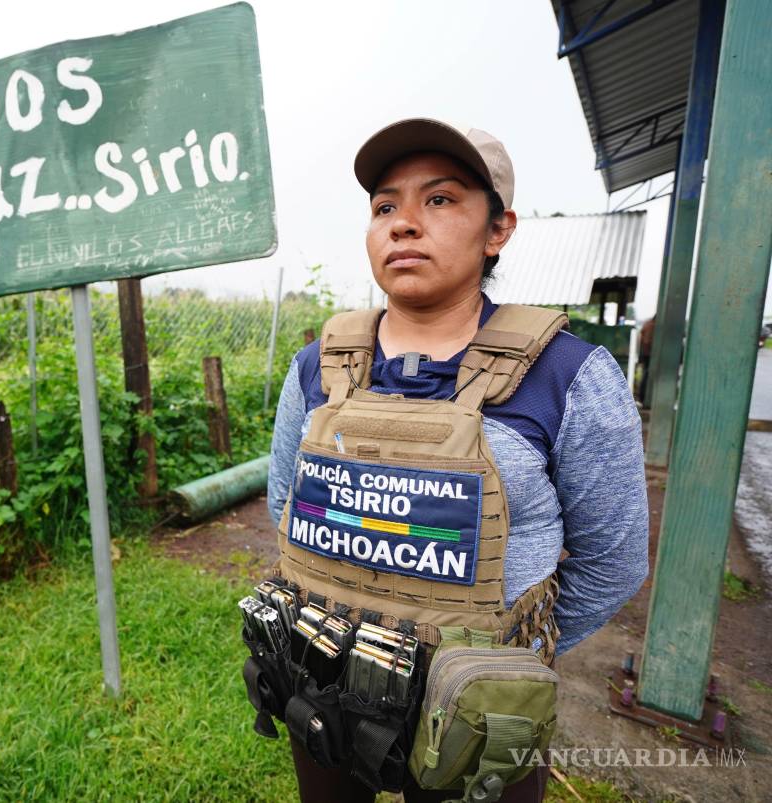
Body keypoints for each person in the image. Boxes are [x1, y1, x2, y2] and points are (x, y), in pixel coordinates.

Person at [264, 119, 649, 803]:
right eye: (385, 205)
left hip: (477, 713)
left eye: (439, 200)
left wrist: (501, 659)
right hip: (319, 678)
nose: (404, 223)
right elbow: (286, 505)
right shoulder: (316, 366)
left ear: (497, 230)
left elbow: (612, 558)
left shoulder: (569, 376)